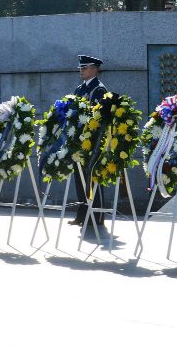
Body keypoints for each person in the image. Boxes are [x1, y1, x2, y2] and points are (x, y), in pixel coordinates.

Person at [70, 55, 109, 229]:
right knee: (80, 178)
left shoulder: (99, 90)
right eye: (81, 68)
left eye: (84, 67)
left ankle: (97, 215)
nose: (81, 70)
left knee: (92, 178)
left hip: (92, 141)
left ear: (95, 69)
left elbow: (99, 118)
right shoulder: (79, 89)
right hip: (79, 140)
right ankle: (83, 213)